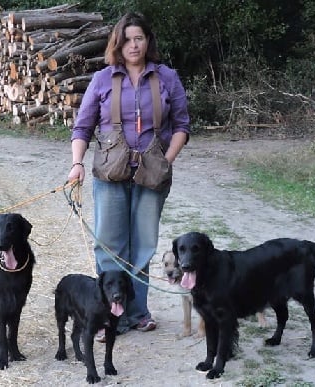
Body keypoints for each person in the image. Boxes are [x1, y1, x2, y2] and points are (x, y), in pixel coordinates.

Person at [67, 11, 190, 339]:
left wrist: (166, 160)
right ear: (117, 44)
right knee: (109, 246)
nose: (133, 45)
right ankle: (109, 316)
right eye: (127, 39)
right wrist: (77, 164)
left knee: (144, 246)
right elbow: (82, 127)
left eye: (139, 38)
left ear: (147, 41)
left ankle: (137, 313)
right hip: (110, 174)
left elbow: (182, 126)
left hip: (152, 176)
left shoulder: (167, 77)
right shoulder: (102, 80)